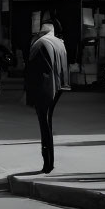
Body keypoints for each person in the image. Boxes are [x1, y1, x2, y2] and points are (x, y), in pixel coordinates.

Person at [24, 18, 69, 174]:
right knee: (47, 123)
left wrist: (30, 96)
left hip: (45, 89)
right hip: (59, 87)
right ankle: (50, 162)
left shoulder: (40, 43)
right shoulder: (59, 43)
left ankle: (47, 162)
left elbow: (34, 73)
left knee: (44, 124)